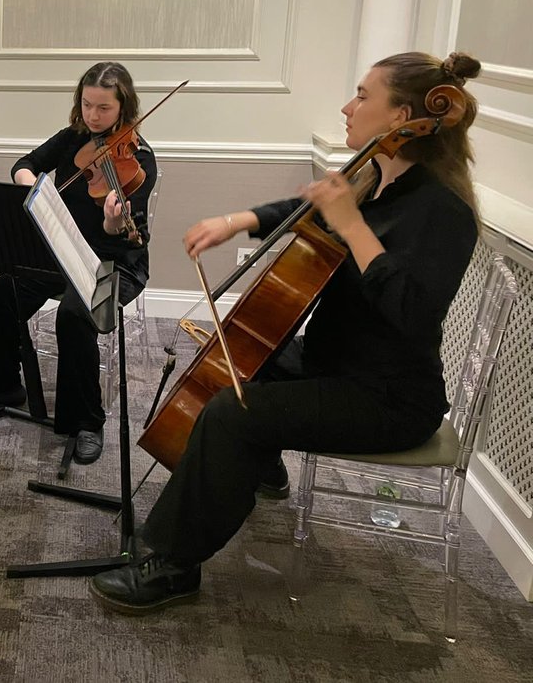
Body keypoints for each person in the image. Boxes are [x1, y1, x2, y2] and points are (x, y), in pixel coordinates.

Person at [89, 51, 482, 614]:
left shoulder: (441, 210)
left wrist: (350, 225)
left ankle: (174, 567)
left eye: (364, 96)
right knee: (244, 358)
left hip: (388, 396)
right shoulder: (375, 181)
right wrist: (236, 221)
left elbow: (411, 311)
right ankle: (257, 468)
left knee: (233, 411)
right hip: (337, 358)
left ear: (402, 118)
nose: (349, 108)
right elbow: (305, 209)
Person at [0, 61, 157, 464]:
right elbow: (23, 164)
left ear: (124, 107)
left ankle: (86, 422)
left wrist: (112, 219)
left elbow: (122, 234)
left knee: (73, 313)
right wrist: (34, 188)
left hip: (113, 262)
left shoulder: (139, 160)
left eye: (103, 108)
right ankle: (2, 386)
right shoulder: (73, 138)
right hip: (62, 252)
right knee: (4, 289)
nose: (93, 115)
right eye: (87, 104)